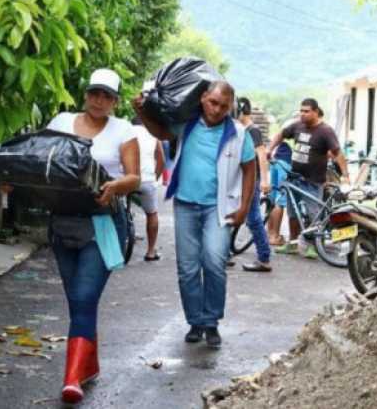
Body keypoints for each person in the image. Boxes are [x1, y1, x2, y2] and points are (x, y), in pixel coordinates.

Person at [133, 81, 256, 349]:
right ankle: (195, 322)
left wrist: (244, 207)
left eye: (224, 106)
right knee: (187, 268)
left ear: (230, 107)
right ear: (202, 98)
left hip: (218, 207)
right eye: (213, 102)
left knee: (213, 262)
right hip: (185, 204)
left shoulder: (238, 132)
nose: (217, 110)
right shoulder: (186, 124)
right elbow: (162, 133)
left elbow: (250, 168)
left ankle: (211, 322)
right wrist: (141, 112)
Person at [46, 68, 140, 404]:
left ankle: (72, 378)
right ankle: (90, 364)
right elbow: (44, 159)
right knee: (76, 299)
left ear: (115, 101)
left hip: (102, 224)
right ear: (85, 94)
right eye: (94, 93)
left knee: (85, 297)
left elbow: (134, 178)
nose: (99, 101)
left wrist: (115, 185)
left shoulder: (123, 130)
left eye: (107, 96)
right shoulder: (61, 122)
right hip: (62, 222)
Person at [267, 98, 349, 259]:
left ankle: (313, 246)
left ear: (316, 112)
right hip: (294, 178)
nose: (302, 114)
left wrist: (346, 175)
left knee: (314, 214)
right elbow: (281, 134)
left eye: (306, 111)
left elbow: (337, 153)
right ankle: (293, 243)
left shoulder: (325, 131)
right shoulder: (298, 126)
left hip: (313, 181)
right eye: (301, 111)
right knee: (292, 212)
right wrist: (270, 149)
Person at [235, 97, 272, 272]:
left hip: (253, 179)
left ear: (241, 111)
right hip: (242, 179)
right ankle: (224, 253)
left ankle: (264, 258)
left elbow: (262, 155)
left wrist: (265, 180)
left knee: (253, 219)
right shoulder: (242, 130)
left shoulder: (253, 131)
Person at [131, 116, 165, 261]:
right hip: (146, 180)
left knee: (115, 210)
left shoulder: (126, 132)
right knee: (151, 214)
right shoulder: (153, 135)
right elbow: (161, 160)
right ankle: (151, 251)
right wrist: (154, 177)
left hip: (125, 179)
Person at [266, 140, 293, 246]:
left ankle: (270, 233)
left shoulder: (288, 125)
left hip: (276, 161)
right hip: (286, 163)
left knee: (272, 198)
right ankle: (274, 236)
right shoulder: (300, 127)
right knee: (280, 200)